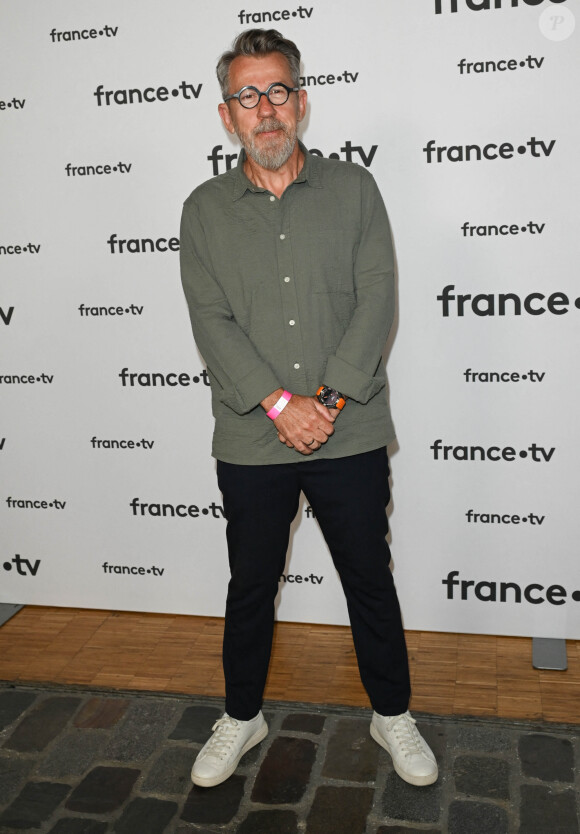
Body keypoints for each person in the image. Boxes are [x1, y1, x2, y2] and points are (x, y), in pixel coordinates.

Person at [179, 28, 437, 790]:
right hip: (253, 435)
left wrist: (320, 404)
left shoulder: (355, 189)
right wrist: (279, 404)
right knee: (250, 584)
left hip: (347, 427)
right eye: (247, 96)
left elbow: (375, 299)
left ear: (302, 101)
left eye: (279, 91)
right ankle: (242, 714)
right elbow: (211, 322)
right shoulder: (203, 211)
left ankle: (391, 715)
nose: (266, 110)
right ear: (228, 115)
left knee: (368, 578)